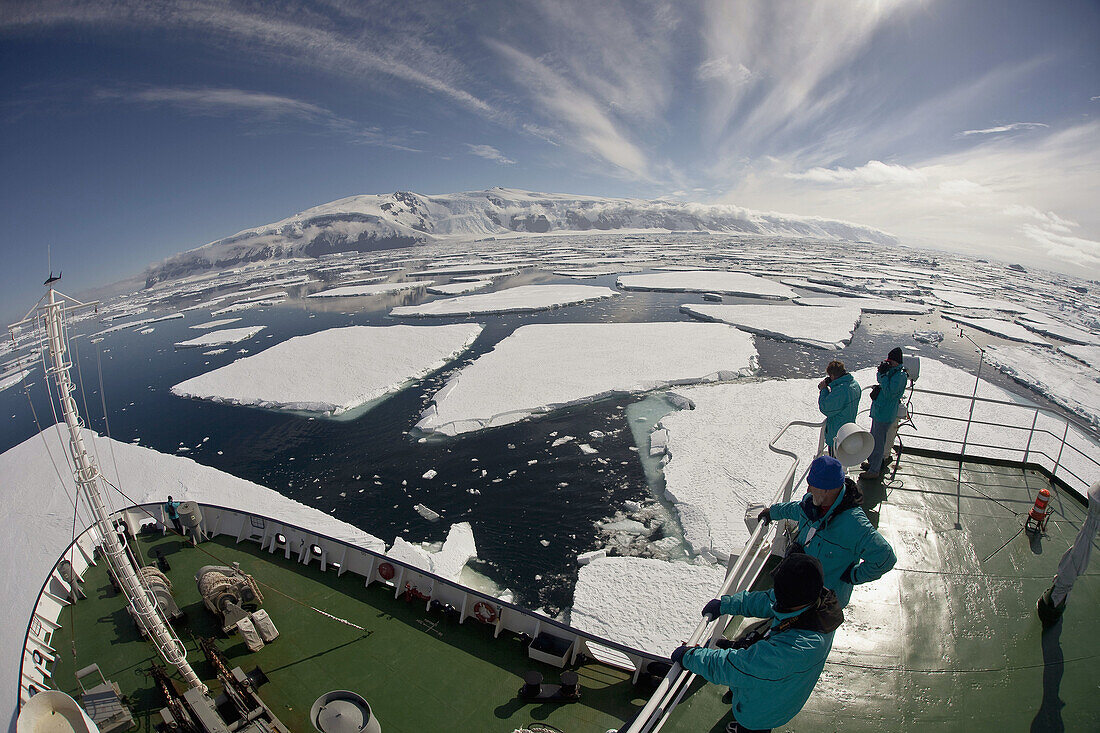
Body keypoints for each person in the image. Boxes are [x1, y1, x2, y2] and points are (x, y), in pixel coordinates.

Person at [671, 554, 843, 733]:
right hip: (781, 689)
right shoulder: (816, 602)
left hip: (764, 711)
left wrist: (688, 656)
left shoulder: (793, 650)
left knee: (754, 726)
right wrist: (727, 604)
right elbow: (769, 600)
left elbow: (734, 667)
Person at [759, 455, 895, 608]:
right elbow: (797, 509)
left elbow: (886, 558)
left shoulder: (855, 524)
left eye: (812, 485)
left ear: (827, 490)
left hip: (823, 604)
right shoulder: (812, 503)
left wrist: (853, 575)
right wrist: (773, 512)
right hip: (798, 588)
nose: (808, 489)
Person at [860, 347, 909, 480]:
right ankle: (872, 464)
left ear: (897, 362)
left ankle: (874, 470)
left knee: (878, 442)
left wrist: (883, 376)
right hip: (880, 411)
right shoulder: (893, 372)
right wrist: (882, 373)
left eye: (890, 362)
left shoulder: (899, 376)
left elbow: (889, 393)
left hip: (885, 413)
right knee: (874, 438)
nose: (888, 364)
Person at [817, 360, 860, 457]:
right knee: (843, 457)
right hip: (848, 430)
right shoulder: (854, 384)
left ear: (832, 375)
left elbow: (826, 407)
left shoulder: (841, 391)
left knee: (835, 461)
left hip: (837, 433)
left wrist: (824, 390)